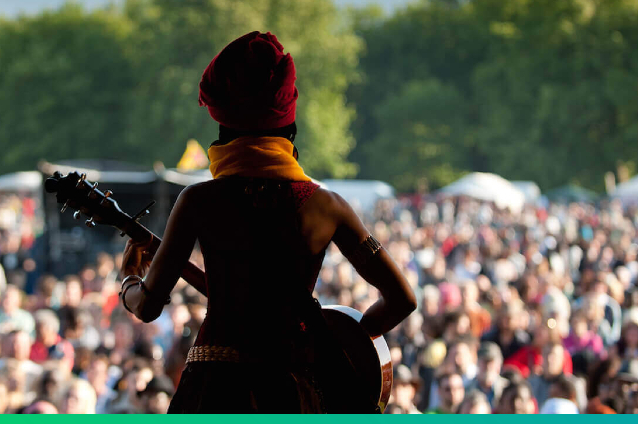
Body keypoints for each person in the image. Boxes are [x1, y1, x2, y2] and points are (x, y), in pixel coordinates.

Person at [117, 31, 416, 413]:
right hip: (294, 392)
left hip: (213, 390)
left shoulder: (198, 200)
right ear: (288, 126)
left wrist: (128, 280)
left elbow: (147, 308)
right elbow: (403, 300)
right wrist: (342, 340)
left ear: (224, 127)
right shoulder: (327, 206)